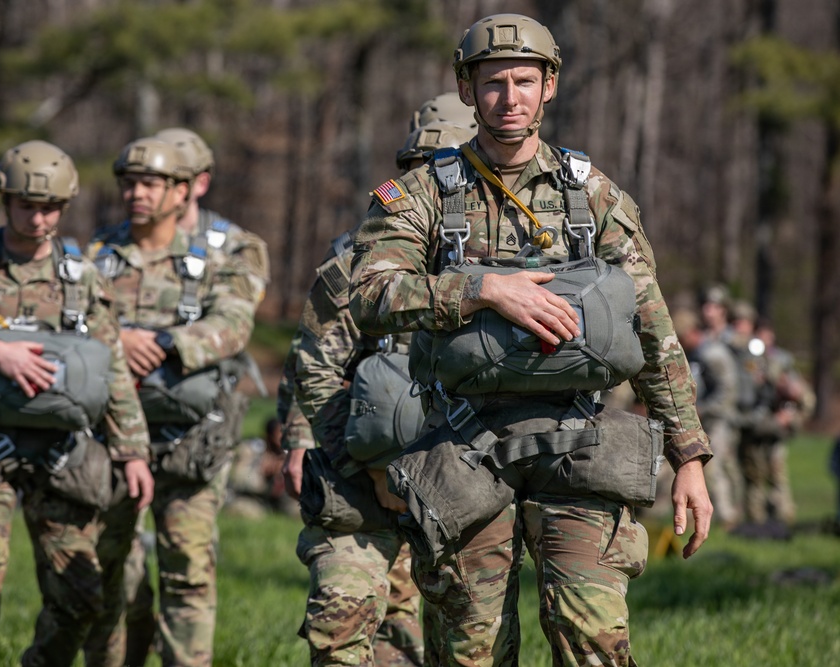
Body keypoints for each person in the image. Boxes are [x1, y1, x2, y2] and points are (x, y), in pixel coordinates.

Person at [349, 14, 713, 666]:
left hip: (579, 441)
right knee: (469, 651)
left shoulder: (591, 195)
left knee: (594, 637)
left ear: (549, 86)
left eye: (524, 80)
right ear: (467, 90)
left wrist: (689, 454)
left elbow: (652, 326)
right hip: (463, 445)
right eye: (492, 83)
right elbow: (370, 293)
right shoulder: (424, 195)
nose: (509, 97)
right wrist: (481, 289)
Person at [0, 140, 154, 667]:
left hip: (61, 454)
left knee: (79, 594)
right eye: (27, 206)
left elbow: (112, 367)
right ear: (4, 199)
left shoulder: (81, 278)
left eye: (50, 209)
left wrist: (134, 452)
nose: (39, 219)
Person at [281, 104, 475, 667]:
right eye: (417, 165)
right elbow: (313, 361)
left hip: (465, 488)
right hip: (359, 475)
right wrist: (345, 455)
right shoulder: (356, 256)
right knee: (342, 627)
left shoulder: (504, 260)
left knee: (459, 643)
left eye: (444, 167)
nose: (430, 181)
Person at [84, 134, 268, 667]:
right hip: (114, 434)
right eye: (131, 182)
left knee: (187, 566)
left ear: (192, 184)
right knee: (112, 565)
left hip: (192, 434)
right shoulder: (103, 251)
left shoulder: (232, 248)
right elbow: (76, 320)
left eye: (155, 182)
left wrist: (164, 344)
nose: (139, 193)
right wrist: (118, 341)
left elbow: (234, 322)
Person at [734, 316, 815, 527]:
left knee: (777, 476)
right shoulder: (748, 361)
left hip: (776, 425)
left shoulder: (782, 361)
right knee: (754, 477)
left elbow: (801, 395)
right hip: (756, 425)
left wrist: (790, 411)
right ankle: (756, 522)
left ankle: (783, 519)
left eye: (767, 335)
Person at [674, 308, 742, 528]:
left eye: (682, 337)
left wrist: (702, 409)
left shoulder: (713, 354)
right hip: (706, 419)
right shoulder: (695, 355)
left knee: (715, 466)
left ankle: (727, 517)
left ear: (693, 332)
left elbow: (728, 392)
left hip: (720, 420)